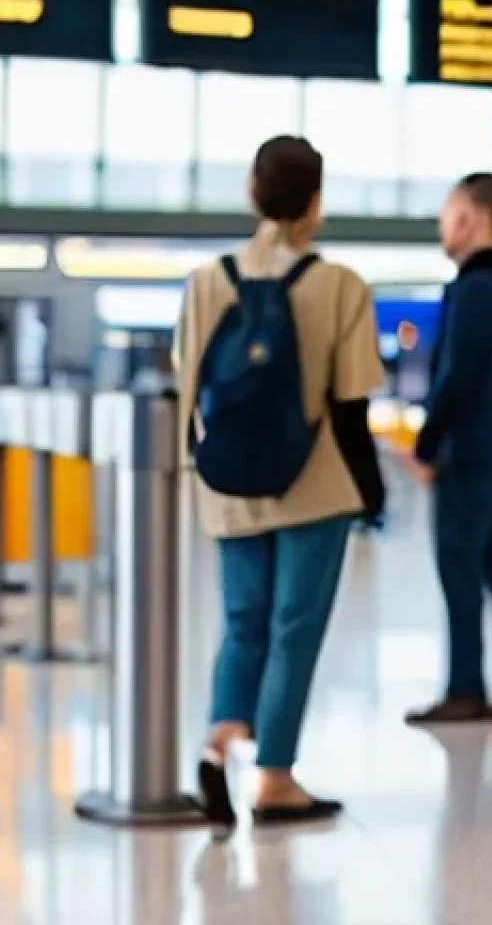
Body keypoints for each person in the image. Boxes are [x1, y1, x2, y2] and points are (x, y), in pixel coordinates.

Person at [175, 135, 386, 827]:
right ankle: (273, 778)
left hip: (229, 482)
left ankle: (217, 744)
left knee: (243, 620)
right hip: (316, 485)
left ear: (252, 192)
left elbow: (188, 391)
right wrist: (371, 492)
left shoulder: (206, 282)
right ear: (316, 202)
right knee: (295, 628)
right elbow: (350, 407)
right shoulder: (341, 285)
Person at [403, 172, 492, 725]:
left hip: (470, 454)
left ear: (472, 218)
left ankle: (465, 689)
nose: (443, 224)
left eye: (448, 212)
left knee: (459, 569)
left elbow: (455, 376)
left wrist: (427, 444)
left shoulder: (469, 288)